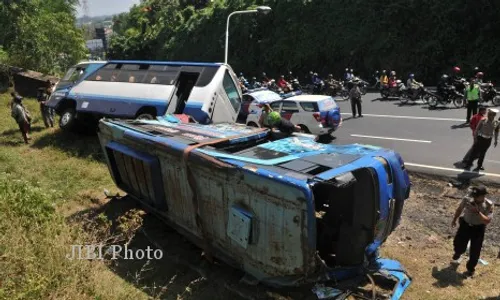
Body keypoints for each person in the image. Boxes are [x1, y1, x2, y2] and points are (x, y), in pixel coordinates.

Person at [451, 185, 494, 277]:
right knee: (458, 243)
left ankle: (470, 269)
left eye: (477, 196)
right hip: (465, 225)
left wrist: (477, 212)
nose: (474, 198)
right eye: (473, 195)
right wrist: (454, 219)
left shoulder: (488, 205)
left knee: (475, 251)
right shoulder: (467, 199)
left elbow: (487, 220)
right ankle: (458, 252)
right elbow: (459, 209)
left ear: (483, 196)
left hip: (478, 229)